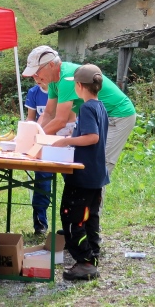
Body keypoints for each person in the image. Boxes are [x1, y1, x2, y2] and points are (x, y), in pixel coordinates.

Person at [23, 45, 136, 177]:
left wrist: (35, 140)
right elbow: (48, 113)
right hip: (96, 116)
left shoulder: (66, 79)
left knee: (99, 162)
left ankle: (95, 191)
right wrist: (32, 137)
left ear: (51, 65)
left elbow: (60, 121)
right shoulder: (53, 80)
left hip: (118, 115)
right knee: (85, 160)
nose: (35, 77)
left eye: (37, 72)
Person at [51, 64, 110, 281]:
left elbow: (92, 137)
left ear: (79, 86)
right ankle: (92, 255)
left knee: (72, 218)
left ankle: (84, 262)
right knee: (90, 218)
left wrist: (67, 140)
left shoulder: (86, 108)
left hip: (83, 177)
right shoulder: (100, 106)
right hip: (96, 175)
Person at [26, 83, 52, 234]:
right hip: (42, 146)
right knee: (42, 184)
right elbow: (31, 120)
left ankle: (73, 225)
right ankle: (41, 224)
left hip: (64, 143)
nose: (36, 78)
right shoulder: (33, 92)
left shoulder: (63, 89)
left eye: (39, 74)